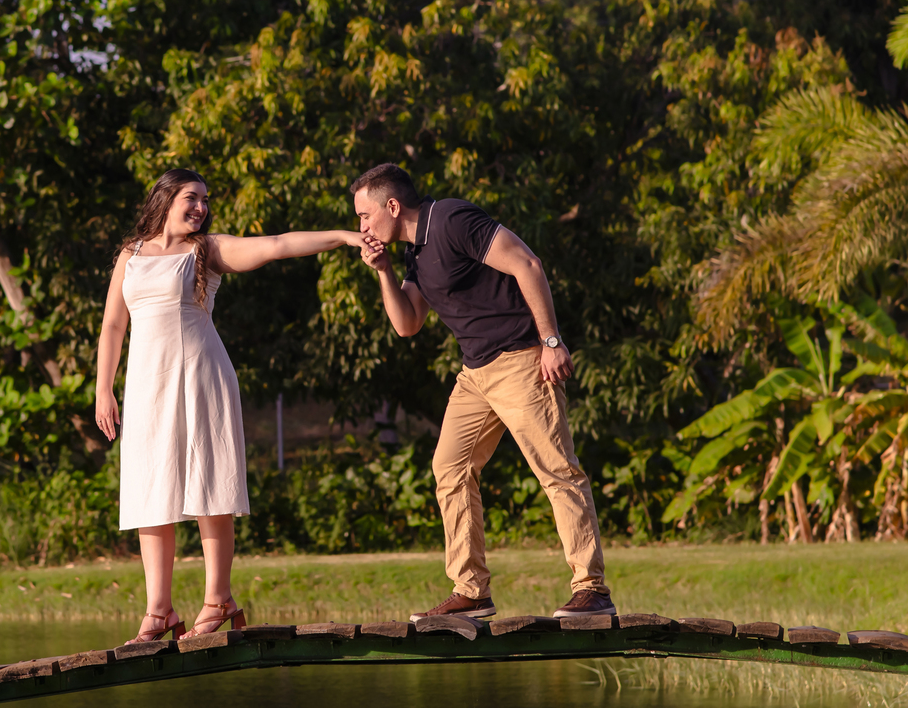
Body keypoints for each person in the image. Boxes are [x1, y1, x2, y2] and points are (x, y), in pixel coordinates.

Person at [96, 168, 369, 643]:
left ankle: (217, 599)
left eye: (205, 199)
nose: (201, 207)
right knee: (148, 490)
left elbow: (278, 244)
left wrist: (345, 237)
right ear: (166, 198)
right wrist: (104, 389)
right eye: (191, 197)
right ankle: (159, 611)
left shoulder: (207, 250)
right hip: (146, 386)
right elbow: (113, 326)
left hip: (200, 377)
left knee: (209, 482)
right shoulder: (131, 255)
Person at [352, 163, 615, 620]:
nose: (362, 227)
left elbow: (527, 264)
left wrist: (551, 341)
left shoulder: (451, 219)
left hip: (520, 359)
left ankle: (592, 590)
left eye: (365, 215)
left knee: (556, 470)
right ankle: (471, 591)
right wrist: (383, 272)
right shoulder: (414, 252)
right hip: (475, 373)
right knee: (449, 468)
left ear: (391, 206)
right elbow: (407, 324)